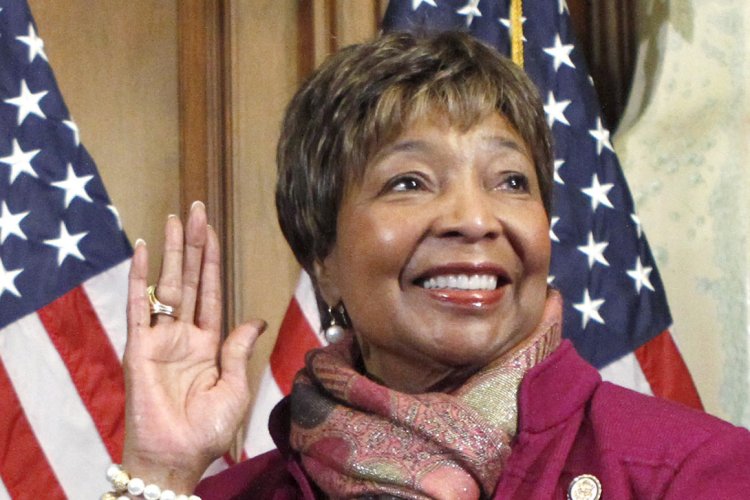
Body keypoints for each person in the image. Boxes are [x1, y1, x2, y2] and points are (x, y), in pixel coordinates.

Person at [109, 31, 750, 500]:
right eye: (410, 182)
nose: (474, 219)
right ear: (322, 259)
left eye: (510, 181)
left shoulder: (692, 473)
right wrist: (159, 473)